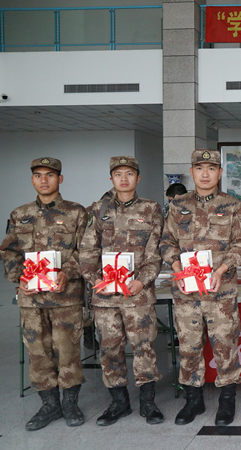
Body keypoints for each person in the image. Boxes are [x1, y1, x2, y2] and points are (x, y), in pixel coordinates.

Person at [160, 149, 241, 426]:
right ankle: (193, 400)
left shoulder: (233, 205)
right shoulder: (177, 205)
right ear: (192, 172)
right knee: (189, 347)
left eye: (211, 168)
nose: (205, 174)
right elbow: (166, 241)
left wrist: (222, 269)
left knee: (225, 345)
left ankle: (227, 400)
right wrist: (177, 266)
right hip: (187, 294)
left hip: (220, 293)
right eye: (199, 168)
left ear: (220, 173)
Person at [0, 157, 88, 431]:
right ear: (32, 180)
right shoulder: (20, 214)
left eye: (50, 175)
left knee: (68, 351)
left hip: (66, 296)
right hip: (32, 300)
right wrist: (19, 277)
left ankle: (70, 404)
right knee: (38, 353)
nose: (44, 180)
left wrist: (67, 272)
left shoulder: (76, 212)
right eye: (38, 175)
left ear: (60, 179)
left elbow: (86, 251)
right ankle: (49, 406)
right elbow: (9, 251)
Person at [79, 156, 164, 426]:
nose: (124, 178)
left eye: (129, 173)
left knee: (144, 347)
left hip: (138, 294)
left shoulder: (151, 208)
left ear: (138, 178)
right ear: (111, 178)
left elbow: (155, 251)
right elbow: (87, 250)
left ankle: (148, 402)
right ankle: (119, 402)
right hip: (105, 297)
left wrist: (143, 280)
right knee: (109, 349)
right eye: (118, 174)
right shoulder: (97, 209)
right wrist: (96, 280)